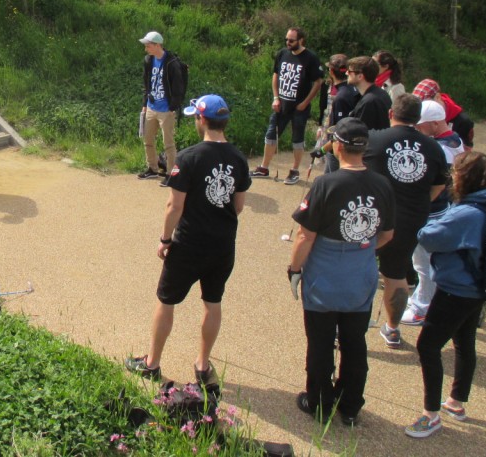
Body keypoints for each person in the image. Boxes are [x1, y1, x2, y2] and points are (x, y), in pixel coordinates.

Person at [125, 95, 250, 394]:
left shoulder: (190, 157)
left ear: (201, 120)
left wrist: (165, 239)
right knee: (212, 303)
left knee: (166, 301)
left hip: (189, 244)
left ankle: (152, 363)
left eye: (196, 116)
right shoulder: (239, 158)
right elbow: (239, 206)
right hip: (222, 245)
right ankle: (203, 366)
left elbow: (174, 206)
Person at [288, 117, 395, 426]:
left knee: (320, 342)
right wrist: (360, 249)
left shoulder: (326, 184)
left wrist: (294, 268)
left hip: (325, 270)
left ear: (338, 146)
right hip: (360, 271)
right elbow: (387, 234)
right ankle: (350, 405)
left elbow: (305, 235)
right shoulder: (382, 184)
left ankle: (318, 401)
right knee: (354, 341)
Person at [405, 151, 486, 438]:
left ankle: (430, 415)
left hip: (456, 289)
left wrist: (431, 223)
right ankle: (456, 402)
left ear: (462, 179)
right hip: (480, 286)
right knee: (464, 341)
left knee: (427, 346)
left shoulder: (465, 213)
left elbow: (428, 237)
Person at [363, 94, 448, 349]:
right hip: (411, 218)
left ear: (391, 113)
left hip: (373, 215)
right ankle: (392, 328)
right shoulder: (433, 147)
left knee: (361, 270)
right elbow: (440, 185)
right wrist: (419, 203)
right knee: (397, 274)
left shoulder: (375, 139)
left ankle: (352, 325)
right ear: (418, 118)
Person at [402, 100, 465, 326]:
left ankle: (422, 307)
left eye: (422, 125)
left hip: (433, 211)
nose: (418, 129)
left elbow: (431, 181)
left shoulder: (441, 148)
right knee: (429, 261)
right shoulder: (454, 140)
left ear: (436, 124)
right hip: (443, 209)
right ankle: (427, 300)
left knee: (423, 262)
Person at [250, 27, 323, 185]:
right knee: (270, 136)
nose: (288, 43)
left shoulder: (310, 58)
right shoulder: (282, 53)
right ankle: (264, 167)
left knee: (297, 139)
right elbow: (275, 75)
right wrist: (276, 98)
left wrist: (305, 102)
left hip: (299, 108)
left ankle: (295, 170)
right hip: (281, 105)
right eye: (286, 40)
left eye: (291, 40)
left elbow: (318, 82)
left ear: (301, 40)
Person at [137, 31, 188, 188]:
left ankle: (171, 174)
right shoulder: (148, 60)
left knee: (168, 143)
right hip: (152, 107)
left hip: (166, 110)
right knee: (148, 139)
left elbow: (178, 88)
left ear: (158, 45)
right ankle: (152, 168)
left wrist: (173, 107)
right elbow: (147, 84)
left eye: (148, 46)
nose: (146, 49)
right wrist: (145, 104)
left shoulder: (171, 63)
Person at [311, 54, 359, 173]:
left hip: (339, 148)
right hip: (351, 144)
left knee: (332, 178)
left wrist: (322, 150)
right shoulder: (354, 89)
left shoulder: (341, 97)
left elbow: (339, 131)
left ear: (331, 71)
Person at [412, 79, 475, 149]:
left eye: (426, 105)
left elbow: (467, 154)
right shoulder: (416, 118)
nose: (421, 110)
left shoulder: (463, 122)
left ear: (438, 97)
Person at [347, 56, 391, 131]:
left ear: (360, 76)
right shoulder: (381, 93)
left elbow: (361, 133)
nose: (346, 73)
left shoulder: (369, 101)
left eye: (349, 71)